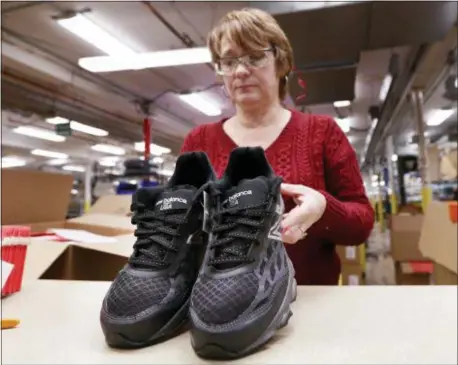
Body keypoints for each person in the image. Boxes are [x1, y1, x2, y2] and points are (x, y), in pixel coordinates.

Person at [180, 8, 375, 285]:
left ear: (281, 63)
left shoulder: (322, 133)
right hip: (219, 305)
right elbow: (182, 228)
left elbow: (362, 223)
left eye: (255, 57)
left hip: (310, 299)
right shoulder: (198, 142)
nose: (241, 71)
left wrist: (323, 209)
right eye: (229, 61)